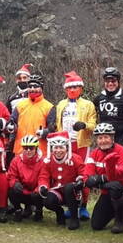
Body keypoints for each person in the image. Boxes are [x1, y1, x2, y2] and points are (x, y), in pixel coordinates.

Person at [47, 71, 97, 220]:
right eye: (70, 88)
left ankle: (83, 206)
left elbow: (94, 125)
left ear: (81, 89)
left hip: (81, 143)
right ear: (66, 89)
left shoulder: (88, 104)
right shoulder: (61, 104)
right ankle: (71, 205)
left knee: (84, 174)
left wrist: (84, 125)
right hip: (65, 144)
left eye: (76, 87)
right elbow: (57, 124)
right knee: (68, 175)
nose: (73, 90)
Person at [85, 123, 123, 233]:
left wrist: (99, 179)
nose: (103, 140)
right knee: (96, 225)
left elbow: (120, 175)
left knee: (115, 187)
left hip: (122, 189)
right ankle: (114, 212)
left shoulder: (122, 151)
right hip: (106, 191)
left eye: (106, 137)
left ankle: (121, 218)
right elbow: (88, 179)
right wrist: (104, 181)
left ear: (112, 138)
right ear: (96, 140)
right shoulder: (94, 154)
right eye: (100, 138)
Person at [38, 131, 86, 230]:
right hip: (58, 191)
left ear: (67, 148)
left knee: (69, 187)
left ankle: (74, 218)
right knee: (48, 201)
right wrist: (43, 186)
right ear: (52, 149)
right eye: (56, 147)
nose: (58, 150)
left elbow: (83, 173)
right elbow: (43, 176)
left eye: (61, 147)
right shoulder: (48, 160)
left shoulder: (75, 159)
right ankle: (59, 212)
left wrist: (81, 181)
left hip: (74, 191)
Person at [10, 74, 53, 156]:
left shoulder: (49, 107)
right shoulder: (20, 105)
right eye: (30, 86)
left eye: (36, 86)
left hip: (40, 151)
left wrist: (44, 132)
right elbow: (12, 121)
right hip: (21, 150)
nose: (32, 89)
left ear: (41, 88)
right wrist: (11, 126)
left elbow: (53, 128)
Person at [93, 67, 123, 145]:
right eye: (107, 81)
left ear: (118, 81)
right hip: (104, 140)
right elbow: (91, 115)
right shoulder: (99, 98)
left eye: (113, 81)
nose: (110, 84)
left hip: (121, 140)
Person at [7, 135, 44, 222]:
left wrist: (38, 189)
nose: (28, 150)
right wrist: (14, 183)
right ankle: (18, 210)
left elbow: (44, 178)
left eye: (31, 148)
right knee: (11, 190)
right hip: (22, 190)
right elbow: (11, 175)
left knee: (41, 192)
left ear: (36, 148)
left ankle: (38, 211)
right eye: (25, 148)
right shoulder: (16, 160)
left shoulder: (43, 161)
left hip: (35, 193)